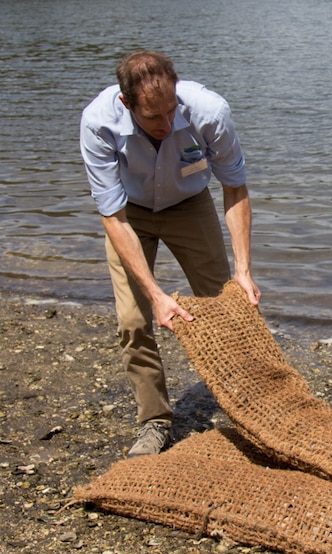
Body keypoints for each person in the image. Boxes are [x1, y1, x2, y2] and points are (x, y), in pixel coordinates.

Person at [80, 50, 261, 458]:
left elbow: (235, 189)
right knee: (133, 320)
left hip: (189, 205)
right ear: (127, 103)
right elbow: (113, 216)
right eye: (151, 118)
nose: (165, 124)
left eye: (170, 111)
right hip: (131, 215)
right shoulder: (98, 122)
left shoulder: (210, 113)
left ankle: (250, 404)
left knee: (229, 306)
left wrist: (244, 270)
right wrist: (157, 294)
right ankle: (155, 422)